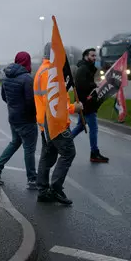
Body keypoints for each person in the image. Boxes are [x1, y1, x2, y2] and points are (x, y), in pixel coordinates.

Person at [34, 43, 84, 205]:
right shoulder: (51, 73)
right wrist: (73, 107)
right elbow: (54, 102)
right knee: (68, 153)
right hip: (56, 123)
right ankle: (56, 188)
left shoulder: (42, 70)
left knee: (47, 156)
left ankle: (43, 190)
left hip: (45, 122)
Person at [0, 52, 38, 190]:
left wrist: (14, 105)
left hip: (13, 117)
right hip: (26, 119)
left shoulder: (6, 77)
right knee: (29, 149)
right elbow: (30, 101)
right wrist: (35, 115)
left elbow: (4, 97)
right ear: (27, 62)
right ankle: (32, 179)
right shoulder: (27, 78)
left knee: (15, 142)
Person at [71, 48, 109, 163]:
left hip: (84, 103)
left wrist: (93, 85)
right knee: (94, 128)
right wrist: (94, 85)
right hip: (87, 104)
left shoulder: (86, 68)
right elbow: (80, 85)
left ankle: (63, 143)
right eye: (92, 56)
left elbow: (84, 84)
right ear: (86, 56)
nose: (94, 58)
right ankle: (94, 153)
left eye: (95, 56)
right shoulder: (83, 69)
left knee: (81, 126)